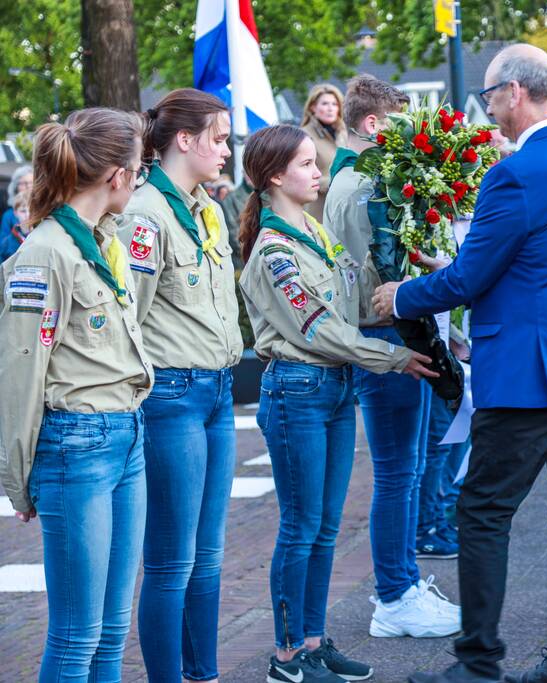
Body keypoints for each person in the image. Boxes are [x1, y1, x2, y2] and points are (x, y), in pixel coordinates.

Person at [373, 43, 547, 683]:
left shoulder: (514, 174)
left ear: (515, 91)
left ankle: (478, 663)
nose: (486, 107)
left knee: (482, 511)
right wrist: (453, 269)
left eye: (490, 94)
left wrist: (400, 295)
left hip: (530, 375)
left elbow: (470, 279)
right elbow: (539, 267)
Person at [236, 124, 433, 683]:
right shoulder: (274, 250)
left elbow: (351, 292)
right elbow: (319, 327)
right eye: (305, 164)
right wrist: (391, 357)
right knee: (301, 526)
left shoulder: (314, 230)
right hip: (299, 390)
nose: (318, 172)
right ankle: (286, 656)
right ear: (275, 177)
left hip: (334, 387)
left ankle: (313, 641)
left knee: (324, 526)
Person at [0, 108, 152, 680]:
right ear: (117, 175)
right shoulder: (47, 252)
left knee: (112, 630)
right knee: (76, 635)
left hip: (125, 433)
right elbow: (20, 371)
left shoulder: (103, 239)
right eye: (138, 170)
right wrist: (17, 479)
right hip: (76, 444)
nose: (139, 181)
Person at [323, 74, 462, 639]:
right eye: (400, 124)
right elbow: (382, 271)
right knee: (399, 472)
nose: (407, 135)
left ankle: (402, 585)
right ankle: (395, 595)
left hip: (392, 334)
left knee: (406, 470)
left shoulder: (358, 180)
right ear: (373, 123)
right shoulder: (363, 186)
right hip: (386, 336)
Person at [117, 88, 243, 683]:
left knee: (208, 555)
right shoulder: (145, 214)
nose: (226, 151)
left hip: (217, 391)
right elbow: (129, 318)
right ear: (185, 140)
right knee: (171, 561)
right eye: (219, 139)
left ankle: (204, 674)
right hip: (172, 396)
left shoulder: (206, 208)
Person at [301, 83, 346, 222]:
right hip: (319, 209)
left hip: (345, 207)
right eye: (325, 103)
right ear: (313, 107)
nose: (330, 108)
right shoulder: (303, 135)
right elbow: (301, 175)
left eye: (334, 104)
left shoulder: (344, 134)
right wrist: (332, 182)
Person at [0, 165, 33, 240]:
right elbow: (2, 245)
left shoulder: (43, 210)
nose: (28, 186)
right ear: (15, 187)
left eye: (31, 182)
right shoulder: (8, 216)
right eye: (24, 183)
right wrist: (18, 234)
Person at [0, 190, 31, 261]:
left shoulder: (41, 236)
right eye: (23, 211)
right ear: (15, 213)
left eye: (31, 210)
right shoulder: (6, 244)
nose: (28, 215)